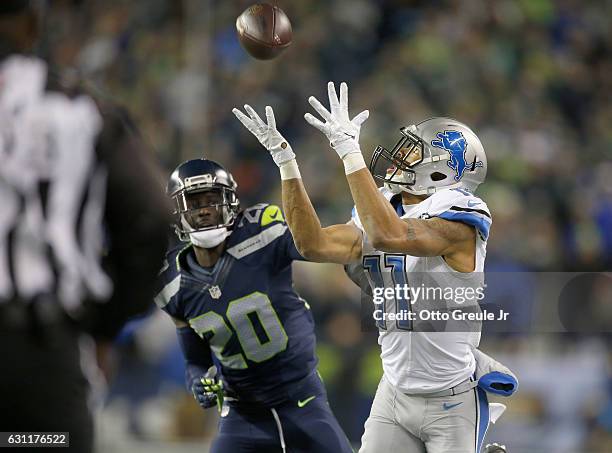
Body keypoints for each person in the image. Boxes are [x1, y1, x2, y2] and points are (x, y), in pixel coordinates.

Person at [233, 82, 517, 452]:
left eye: (414, 154)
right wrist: (286, 162)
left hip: (450, 399)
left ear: (442, 170)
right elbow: (312, 244)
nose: (399, 159)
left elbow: (389, 235)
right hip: (395, 391)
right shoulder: (385, 205)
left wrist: (351, 153)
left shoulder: (461, 217)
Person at [0, 2, 170, 452]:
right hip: (37, 353)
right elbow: (152, 219)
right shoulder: (78, 110)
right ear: (32, 26)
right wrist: (103, 323)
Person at [154, 158, 353, 453]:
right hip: (242, 413)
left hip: (301, 399)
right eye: (195, 202)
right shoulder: (171, 284)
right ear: (179, 212)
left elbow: (311, 244)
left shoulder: (261, 231)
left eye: (213, 199)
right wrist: (199, 381)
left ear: (231, 201)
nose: (206, 209)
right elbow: (196, 359)